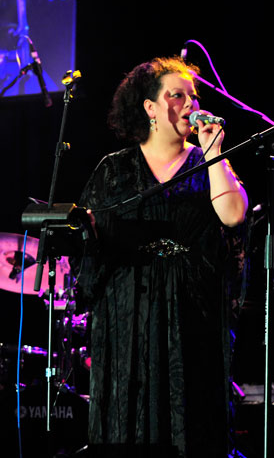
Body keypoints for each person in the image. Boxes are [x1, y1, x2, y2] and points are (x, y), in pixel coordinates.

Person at [76, 57, 248, 457]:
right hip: (128, 315)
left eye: (193, 96)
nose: (190, 103)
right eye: (176, 95)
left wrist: (214, 152)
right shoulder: (114, 170)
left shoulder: (208, 163)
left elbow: (233, 216)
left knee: (191, 419)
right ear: (150, 108)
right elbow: (90, 242)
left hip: (192, 315)